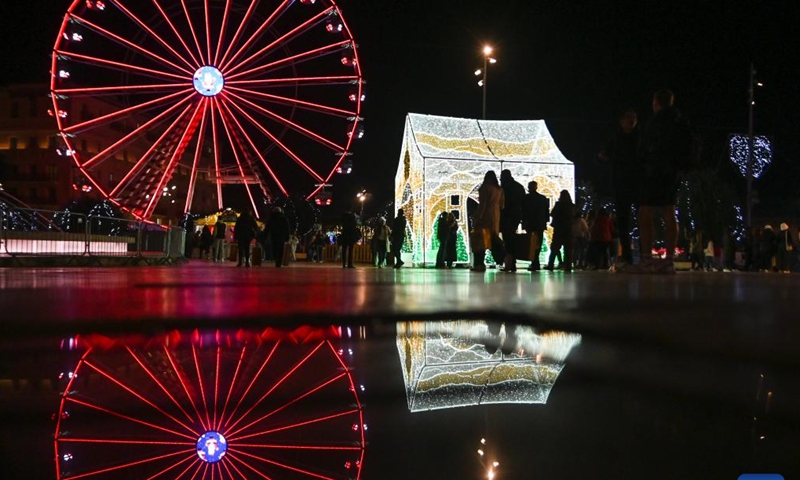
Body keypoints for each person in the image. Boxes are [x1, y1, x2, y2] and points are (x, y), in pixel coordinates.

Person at [633, 89, 685, 274]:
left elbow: (645, 148)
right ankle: (669, 260)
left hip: (655, 172)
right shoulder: (679, 120)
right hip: (674, 172)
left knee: (645, 214)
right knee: (669, 212)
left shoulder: (655, 122)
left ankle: (646, 259)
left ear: (656, 102)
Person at [599, 109, 641, 266]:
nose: (632, 121)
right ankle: (628, 256)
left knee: (641, 217)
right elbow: (604, 155)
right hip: (622, 183)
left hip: (636, 182)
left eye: (634, 118)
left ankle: (643, 255)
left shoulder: (639, 138)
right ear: (622, 121)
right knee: (623, 220)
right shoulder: (616, 138)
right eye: (629, 118)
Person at [471, 171, 505, 272]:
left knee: (480, 241)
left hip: (485, 216)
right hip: (495, 216)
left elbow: (483, 204)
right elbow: (502, 205)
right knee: (494, 239)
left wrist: (478, 217)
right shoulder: (499, 189)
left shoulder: (485, 187)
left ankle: (479, 264)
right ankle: (503, 258)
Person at [499, 170, 526, 272]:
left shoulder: (503, 188)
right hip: (516, 215)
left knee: (507, 239)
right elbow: (523, 203)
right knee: (512, 238)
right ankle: (512, 262)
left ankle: (509, 263)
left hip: (506, 215)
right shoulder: (519, 187)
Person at [522, 181, 550, 271]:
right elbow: (546, 212)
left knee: (531, 243)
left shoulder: (526, 198)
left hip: (530, 224)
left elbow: (524, 211)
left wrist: (524, 222)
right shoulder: (542, 198)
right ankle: (535, 262)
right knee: (538, 243)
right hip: (540, 224)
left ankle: (534, 262)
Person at [544, 190, 574, 272]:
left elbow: (553, 213)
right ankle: (568, 266)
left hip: (559, 229)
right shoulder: (572, 206)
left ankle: (551, 265)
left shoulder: (559, 204)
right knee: (568, 249)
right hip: (568, 230)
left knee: (554, 248)